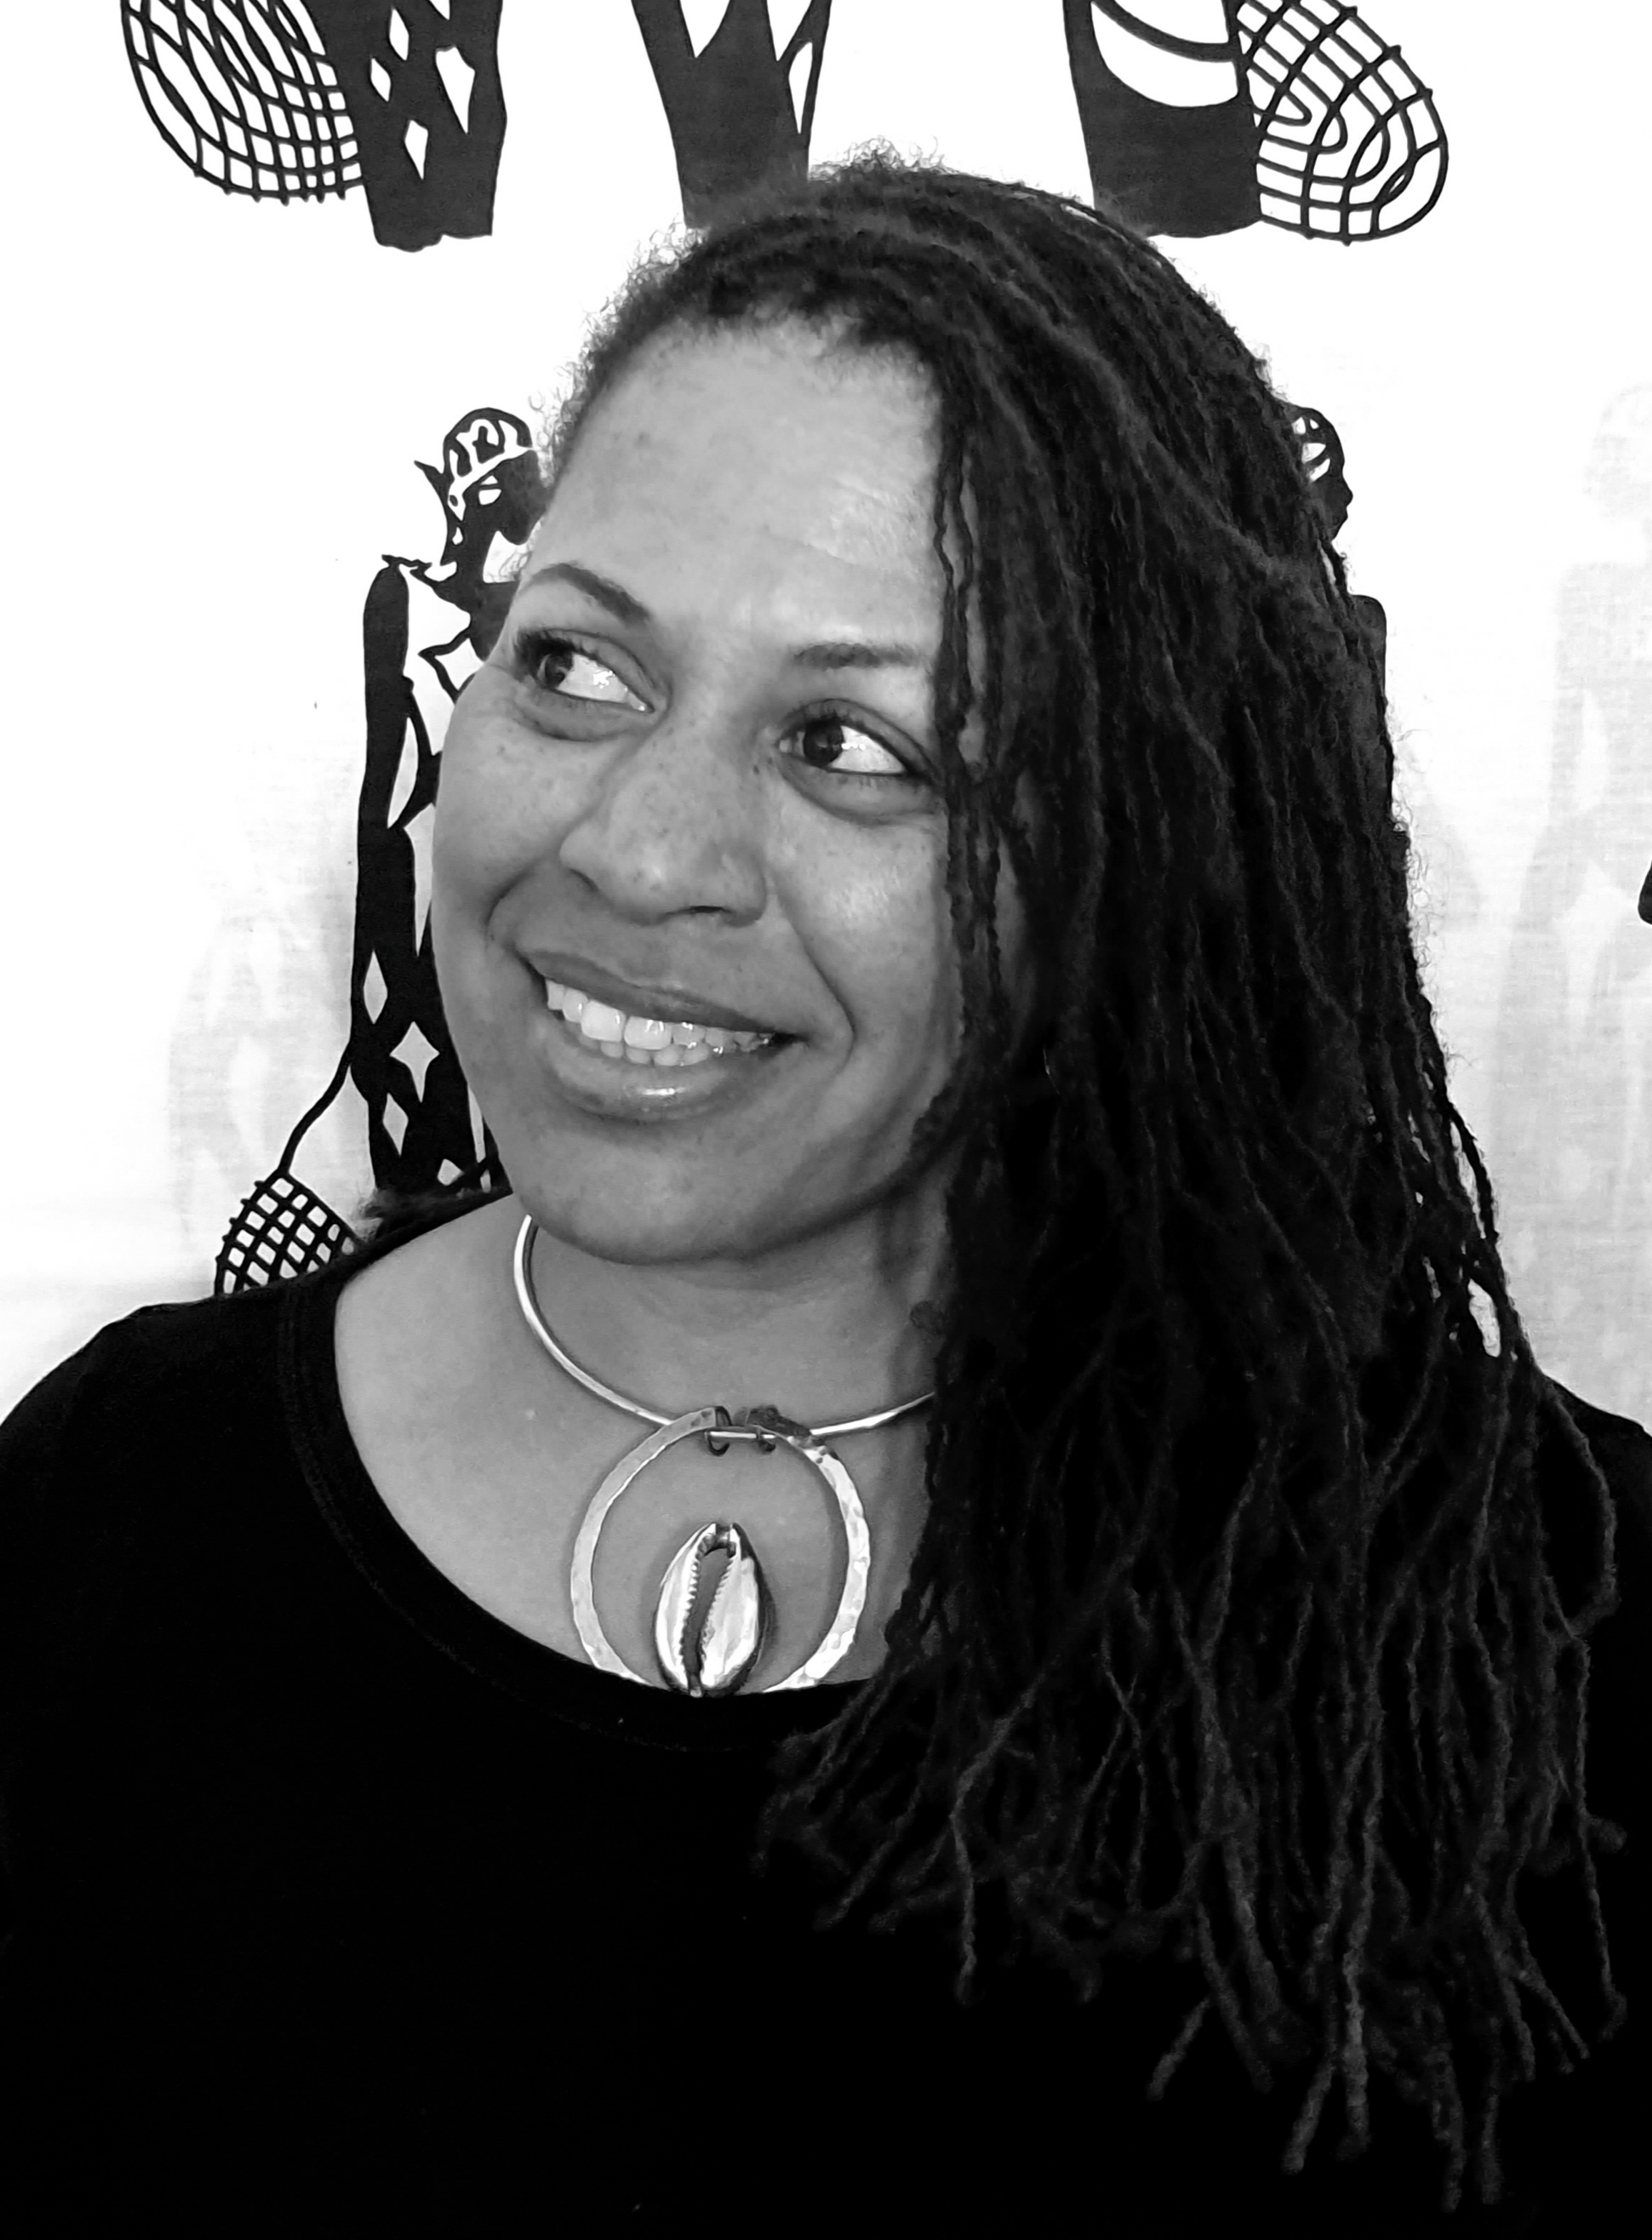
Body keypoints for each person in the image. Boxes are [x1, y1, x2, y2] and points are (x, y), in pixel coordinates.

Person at [1, 154, 1646, 2233]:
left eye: (854, 745)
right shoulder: (110, 1515)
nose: (638, 851)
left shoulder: (1542, 1634)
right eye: (575, 667)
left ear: (1140, 851)